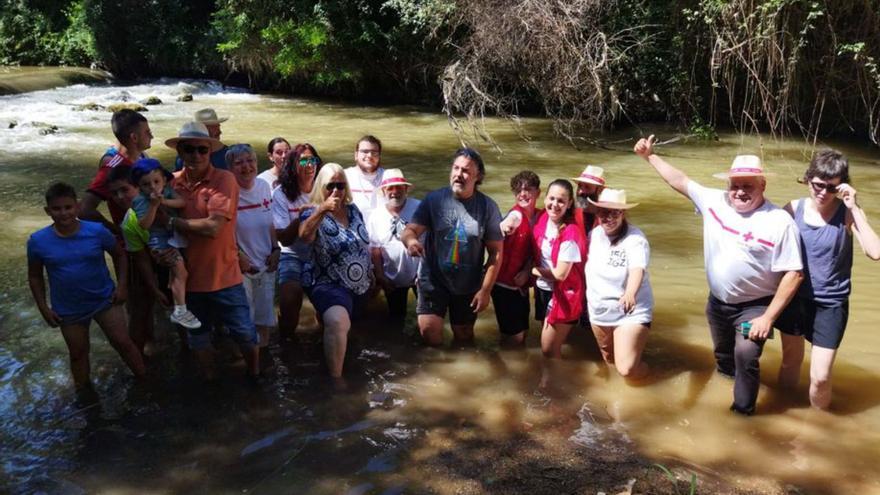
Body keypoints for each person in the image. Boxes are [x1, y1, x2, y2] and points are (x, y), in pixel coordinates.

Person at [635, 135, 803, 415]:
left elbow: (794, 275)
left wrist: (768, 318)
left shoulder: (779, 222)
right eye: (735, 185)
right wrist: (649, 157)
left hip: (755, 306)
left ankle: (742, 413)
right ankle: (725, 383)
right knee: (724, 357)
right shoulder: (715, 201)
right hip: (718, 303)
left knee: (746, 355)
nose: (739, 192)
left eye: (747, 186)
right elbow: (680, 180)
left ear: (763, 185)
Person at [776, 149, 880, 409]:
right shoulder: (792, 208)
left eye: (832, 188)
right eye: (818, 185)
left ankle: (818, 423)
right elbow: (769, 246)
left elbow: (875, 252)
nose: (823, 193)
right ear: (808, 179)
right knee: (790, 361)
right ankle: (784, 413)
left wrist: (853, 206)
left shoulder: (847, 214)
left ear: (842, 187)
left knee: (820, 377)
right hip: (794, 297)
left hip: (830, 303)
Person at [27, 183, 146, 399]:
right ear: (47, 211)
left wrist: (122, 286)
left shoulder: (96, 231)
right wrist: (43, 307)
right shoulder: (38, 241)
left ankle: (146, 381)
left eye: (68, 207)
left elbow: (119, 255)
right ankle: (85, 396)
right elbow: (35, 276)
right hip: (68, 308)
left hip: (104, 299)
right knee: (78, 353)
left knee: (123, 342)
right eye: (57, 209)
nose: (63, 213)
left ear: (78, 206)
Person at [166, 122, 260, 380]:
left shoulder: (224, 179)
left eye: (202, 150)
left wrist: (174, 222)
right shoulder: (169, 184)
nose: (195, 155)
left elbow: (213, 227)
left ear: (210, 152)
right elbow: (151, 221)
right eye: (189, 149)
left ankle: (255, 377)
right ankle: (211, 384)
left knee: (245, 334)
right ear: (180, 152)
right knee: (198, 338)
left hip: (225, 276)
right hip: (190, 281)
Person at [401, 148, 504, 346]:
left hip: (467, 284)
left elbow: (496, 253)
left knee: (464, 338)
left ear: (478, 176)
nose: (458, 174)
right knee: (429, 334)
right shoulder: (434, 200)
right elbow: (409, 231)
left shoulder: (487, 207)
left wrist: (485, 290)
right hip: (433, 279)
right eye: (456, 168)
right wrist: (412, 242)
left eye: (465, 170)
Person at [298, 163, 373, 382]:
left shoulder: (353, 209)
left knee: (350, 331)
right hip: (327, 281)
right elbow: (304, 236)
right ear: (321, 186)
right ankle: (336, 380)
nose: (336, 191)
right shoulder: (312, 212)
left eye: (340, 185)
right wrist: (322, 210)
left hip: (359, 285)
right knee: (339, 322)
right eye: (331, 185)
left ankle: (327, 337)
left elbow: (363, 243)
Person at [586, 188, 653, 379]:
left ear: (623, 213)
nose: (607, 218)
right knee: (610, 361)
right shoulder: (595, 235)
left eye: (614, 213)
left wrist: (630, 293)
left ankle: (651, 376)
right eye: (603, 212)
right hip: (598, 309)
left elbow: (637, 269)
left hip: (630, 310)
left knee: (626, 369)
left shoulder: (635, 239)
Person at [130, 158, 201, 329]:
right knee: (180, 272)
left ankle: (180, 308)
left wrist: (164, 201)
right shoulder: (140, 201)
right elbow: (144, 225)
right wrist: (153, 206)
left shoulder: (167, 191)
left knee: (180, 273)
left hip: (175, 236)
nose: (153, 187)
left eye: (156, 181)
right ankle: (180, 310)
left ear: (164, 180)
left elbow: (181, 202)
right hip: (159, 241)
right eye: (146, 184)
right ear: (139, 186)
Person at [228, 144, 281, 347]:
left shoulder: (263, 186)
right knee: (243, 319)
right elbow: (224, 232)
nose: (246, 166)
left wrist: (276, 248)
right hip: (239, 265)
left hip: (266, 261)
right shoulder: (228, 192)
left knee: (264, 315)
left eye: (250, 160)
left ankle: (263, 357)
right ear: (230, 168)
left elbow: (269, 222)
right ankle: (247, 364)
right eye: (239, 162)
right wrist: (239, 255)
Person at [530, 179, 587, 358]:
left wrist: (530, 271)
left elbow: (560, 274)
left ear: (570, 203)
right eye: (551, 198)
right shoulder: (543, 218)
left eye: (561, 201)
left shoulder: (571, 232)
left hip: (564, 293)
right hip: (543, 289)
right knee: (552, 342)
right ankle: (554, 379)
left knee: (548, 350)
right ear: (545, 198)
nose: (555, 204)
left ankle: (553, 384)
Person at [272, 143, 323, 341]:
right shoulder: (281, 194)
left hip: (320, 253)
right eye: (303, 160)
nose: (309, 165)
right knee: (289, 300)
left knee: (326, 306)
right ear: (293, 164)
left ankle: (322, 342)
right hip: (291, 253)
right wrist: (303, 218)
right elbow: (282, 237)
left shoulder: (325, 189)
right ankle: (286, 345)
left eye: (313, 160)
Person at [80, 109, 153, 234]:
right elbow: (84, 209)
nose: (152, 136)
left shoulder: (142, 156)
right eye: (147, 132)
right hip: (132, 241)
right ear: (134, 137)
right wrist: (116, 231)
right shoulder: (112, 165)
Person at [492, 171, 541, 346]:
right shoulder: (516, 215)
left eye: (528, 189)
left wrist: (527, 270)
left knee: (523, 333)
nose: (522, 194)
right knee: (515, 337)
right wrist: (505, 226)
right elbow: (509, 222)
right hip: (503, 285)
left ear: (538, 193)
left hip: (520, 285)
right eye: (518, 191)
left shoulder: (538, 216)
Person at [367, 168, 421, 321]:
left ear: (406, 189)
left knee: (427, 318)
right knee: (396, 318)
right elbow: (375, 249)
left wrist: (427, 272)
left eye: (399, 187)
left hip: (420, 275)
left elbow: (432, 241)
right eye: (390, 188)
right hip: (392, 277)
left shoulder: (419, 208)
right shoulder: (376, 216)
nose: (395, 191)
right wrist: (380, 276)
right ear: (383, 191)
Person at [345, 135, 385, 221]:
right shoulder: (344, 176)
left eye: (374, 152)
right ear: (356, 155)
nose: (370, 155)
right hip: (354, 230)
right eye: (365, 151)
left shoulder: (388, 177)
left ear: (379, 156)